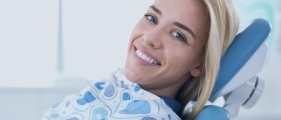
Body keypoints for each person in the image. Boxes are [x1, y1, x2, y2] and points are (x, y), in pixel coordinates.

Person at [42, 0, 239, 119]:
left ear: (200, 64)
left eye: (178, 35)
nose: (149, 38)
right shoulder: (109, 89)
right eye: (152, 18)